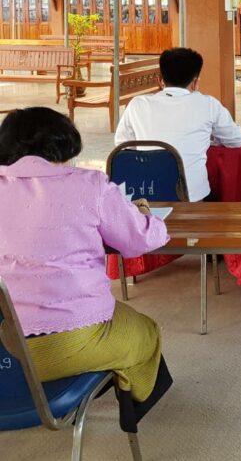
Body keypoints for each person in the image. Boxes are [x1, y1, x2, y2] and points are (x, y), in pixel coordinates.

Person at [0, 107, 172, 413]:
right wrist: (146, 214)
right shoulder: (89, 185)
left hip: (9, 346)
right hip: (72, 340)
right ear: (64, 145)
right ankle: (133, 404)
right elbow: (140, 240)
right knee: (146, 331)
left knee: (123, 321)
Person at [115, 47, 241, 201]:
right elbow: (236, 140)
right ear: (195, 82)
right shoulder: (208, 104)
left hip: (146, 196)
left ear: (160, 80)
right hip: (191, 198)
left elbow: (122, 147)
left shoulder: (137, 104)